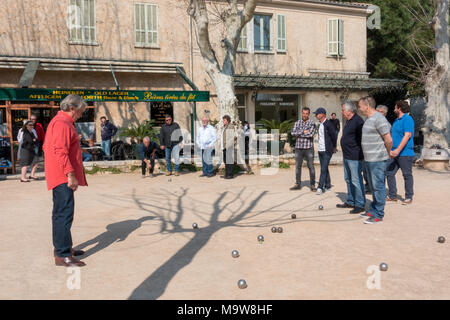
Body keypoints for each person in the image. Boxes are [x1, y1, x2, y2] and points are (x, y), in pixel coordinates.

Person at [44, 94, 88, 267]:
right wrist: (70, 174)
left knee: (61, 213)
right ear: (72, 108)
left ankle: (63, 248)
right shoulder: (62, 123)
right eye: (80, 112)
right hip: (62, 176)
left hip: (59, 174)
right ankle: (63, 254)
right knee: (64, 213)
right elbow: (60, 151)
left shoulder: (61, 122)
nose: (81, 115)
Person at [357, 96, 393, 225]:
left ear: (367, 106)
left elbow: (388, 139)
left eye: (360, 105)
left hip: (377, 159)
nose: (359, 108)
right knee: (372, 186)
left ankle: (378, 214)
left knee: (378, 186)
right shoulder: (369, 119)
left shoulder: (379, 118)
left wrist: (388, 153)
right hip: (369, 159)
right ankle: (373, 210)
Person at [336, 101, 366, 214]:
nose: (342, 112)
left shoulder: (358, 121)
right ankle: (351, 200)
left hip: (355, 157)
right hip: (347, 156)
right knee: (348, 179)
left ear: (349, 111)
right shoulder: (349, 121)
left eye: (343, 110)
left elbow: (362, 139)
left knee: (356, 180)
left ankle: (359, 204)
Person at [386, 100, 415, 204]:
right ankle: (393, 195)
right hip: (394, 153)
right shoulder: (396, 120)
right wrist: (391, 150)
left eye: (395, 106)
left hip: (405, 153)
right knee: (389, 173)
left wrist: (398, 150)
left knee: (407, 175)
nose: (394, 108)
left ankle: (408, 197)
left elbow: (407, 135)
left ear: (399, 108)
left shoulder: (407, 119)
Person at [290, 107, 316, 192]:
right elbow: (292, 133)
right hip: (298, 148)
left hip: (309, 148)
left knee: (311, 166)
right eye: (303, 113)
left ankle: (312, 185)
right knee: (298, 167)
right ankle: (298, 184)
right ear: (301, 113)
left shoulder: (312, 123)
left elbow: (311, 134)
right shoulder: (297, 122)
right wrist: (304, 131)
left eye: (306, 113)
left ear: (308, 114)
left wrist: (299, 133)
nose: (304, 115)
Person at [313, 107, 337, 195]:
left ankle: (320, 187)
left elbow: (334, 136)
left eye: (317, 114)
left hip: (327, 150)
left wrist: (334, 147)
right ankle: (328, 185)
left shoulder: (329, 124)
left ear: (322, 114)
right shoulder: (320, 124)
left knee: (323, 169)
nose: (315, 115)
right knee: (325, 168)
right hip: (320, 150)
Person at [222, 115, 235, 179]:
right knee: (225, 161)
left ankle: (230, 174)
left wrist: (227, 146)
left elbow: (231, 138)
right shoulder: (225, 127)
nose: (223, 121)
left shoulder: (230, 126)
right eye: (223, 120)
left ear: (228, 120)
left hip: (229, 146)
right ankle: (227, 173)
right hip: (224, 146)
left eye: (224, 120)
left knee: (229, 161)